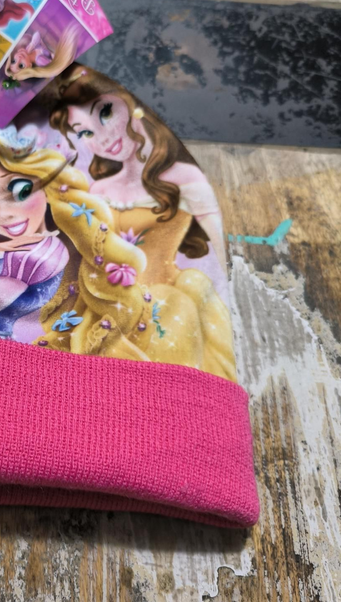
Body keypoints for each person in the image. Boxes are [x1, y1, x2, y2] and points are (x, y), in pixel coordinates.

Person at [49, 64, 236, 380]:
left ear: (130, 104)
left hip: (168, 305)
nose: (102, 137)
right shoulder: (98, 190)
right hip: (110, 308)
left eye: (105, 113)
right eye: (85, 133)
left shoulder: (184, 178)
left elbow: (221, 259)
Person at [0, 133, 149, 357]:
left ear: (47, 190)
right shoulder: (13, 249)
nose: (4, 213)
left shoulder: (43, 256)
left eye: (21, 192)